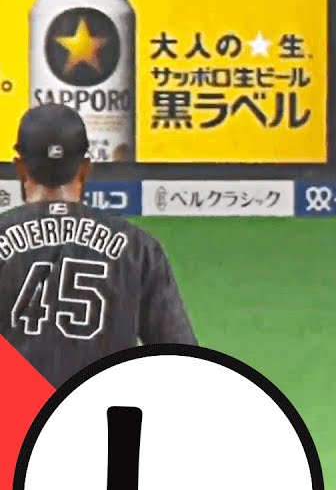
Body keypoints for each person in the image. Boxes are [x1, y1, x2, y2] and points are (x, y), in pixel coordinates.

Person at [0, 104, 196, 387]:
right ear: (85, 168)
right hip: (101, 411)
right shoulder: (137, 247)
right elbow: (182, 360)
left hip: (16, 413)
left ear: (20, 167)